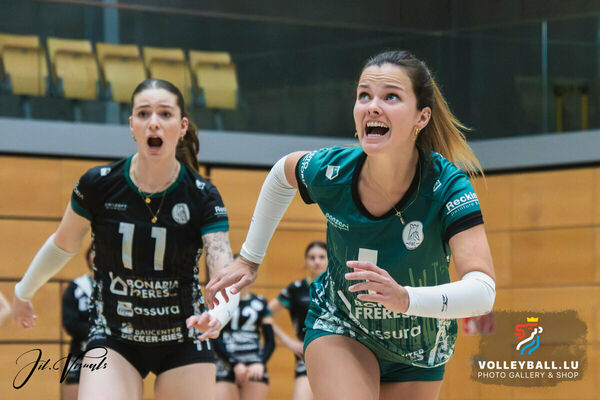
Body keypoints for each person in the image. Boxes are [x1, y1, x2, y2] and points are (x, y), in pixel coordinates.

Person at [205, 50, 496, 400]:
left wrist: (405, 298)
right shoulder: (333, 170)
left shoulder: (447, 185)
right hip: (341, 325)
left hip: (420, 346)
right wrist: (250, 259)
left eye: (391, 96)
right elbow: (282, 173)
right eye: (364, 95)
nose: (373, 107)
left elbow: (482, 291)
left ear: (422, 117)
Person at [12, 78, 238, 400]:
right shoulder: (99, 184)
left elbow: (224, 274)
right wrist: (23, 291)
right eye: (144, 114)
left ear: (182, 126)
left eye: (165, 113)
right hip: (114, 336)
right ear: (132, 126)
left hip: (185, 335)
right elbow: (63, 244)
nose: (153, 122)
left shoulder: (202, 195)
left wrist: (218, 315)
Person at [267, 241, 327, 400]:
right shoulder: (295, 289)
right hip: (306, 358)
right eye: (312, 257)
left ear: (329, 260)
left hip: (334, 358)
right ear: (306, 261)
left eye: (321, 257)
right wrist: (289, 342)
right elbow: (264, 313)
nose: (317, 261)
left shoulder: (337, 288)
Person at [214, 277, 274, 400]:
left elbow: (270, 341)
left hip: (254, 366)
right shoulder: (221, 304)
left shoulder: (261, 303)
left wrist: (260, 362)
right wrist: (234, 363)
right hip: (225, 364)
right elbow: (215, 339)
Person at [61, 245, 94, 400]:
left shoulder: (117, 287)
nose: (96, 256)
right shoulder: (77, 287)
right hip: (79, 352)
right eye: (93, 252)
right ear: (88, 257)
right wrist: (98, 330)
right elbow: (70, 323)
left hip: (110, 353)